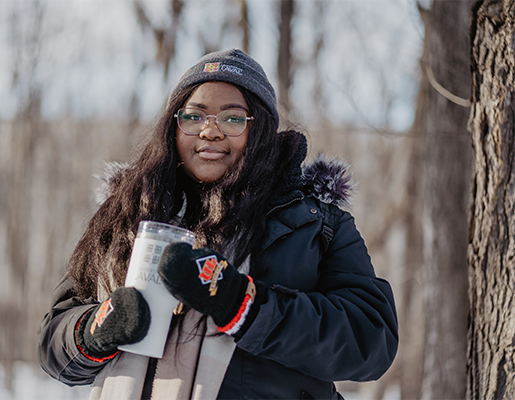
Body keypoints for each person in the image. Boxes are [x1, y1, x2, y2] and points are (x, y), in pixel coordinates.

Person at [37, 49, 398, 400]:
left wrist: (243, 305)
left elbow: (370, 342)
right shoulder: (126, 217)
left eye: (232, 118)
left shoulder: (316, 224)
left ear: (260, 132)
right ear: (173, 127)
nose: (210, 132)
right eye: (194, 116)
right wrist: (98, 328)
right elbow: (54, 343)